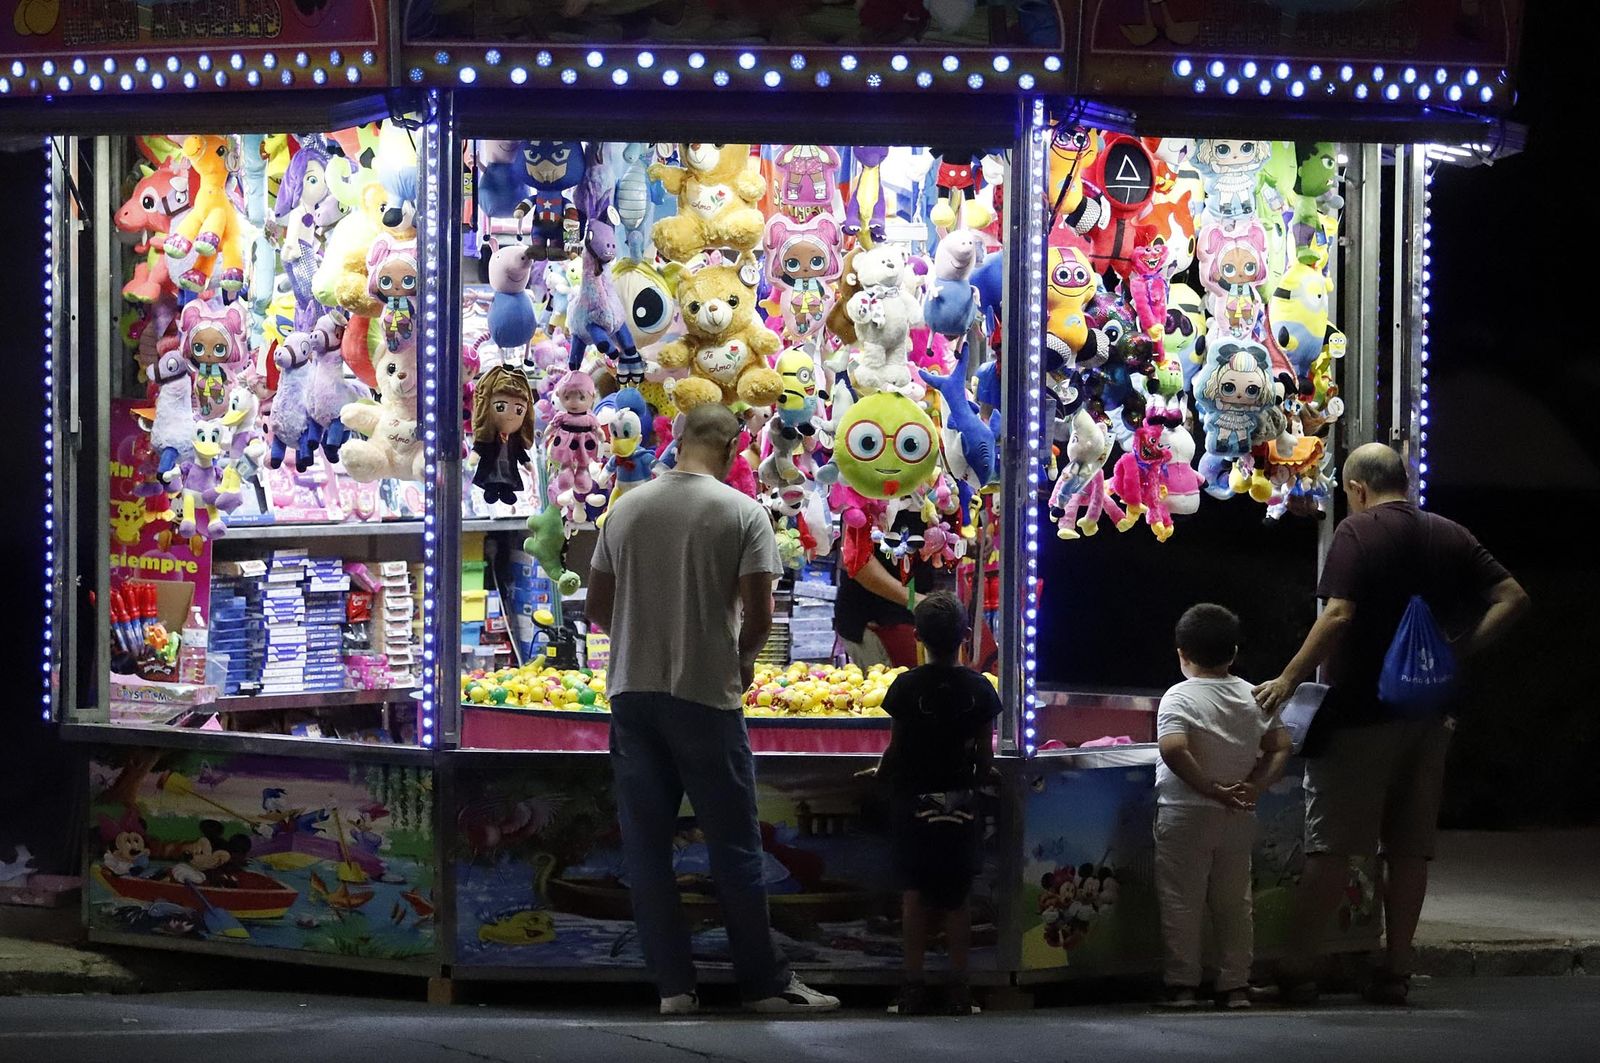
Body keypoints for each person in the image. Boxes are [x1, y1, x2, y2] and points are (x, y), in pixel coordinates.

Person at [586, 403, 840, 1016]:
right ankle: (763, 983)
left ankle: (674, 987)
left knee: (647, 849)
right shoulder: (742, 513)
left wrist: (642, 631)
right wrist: (742, 659)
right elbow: (760, 615)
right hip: (705, 697)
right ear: (731, 448)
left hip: (631, 694)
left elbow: (595, 608)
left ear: (677, 441)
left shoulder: (626, 509)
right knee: (734, 845)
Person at [1253, 443, 1529, 1005]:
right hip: (1432, 715)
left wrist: (1287, 679)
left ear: (1357, 489)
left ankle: (1297, 969)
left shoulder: (1358, 532)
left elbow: (1338, 614)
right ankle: (1395, 969)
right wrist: (1458, 648)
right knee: (1408, 849)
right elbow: (1513, 597)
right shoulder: (1451, 533)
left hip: (1361, 713)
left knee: (1332, 846)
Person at [864, 591, 1002, 1016]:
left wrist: (879, 776)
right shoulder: (981, 688)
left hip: (913, 802)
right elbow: (985, 754)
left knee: (915, 896)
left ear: (917, 636)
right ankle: (959, 990)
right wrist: (982, 778)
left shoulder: (905, 686)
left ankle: (913, 987)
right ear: (966, 635)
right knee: (957, 900)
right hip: (961, 801)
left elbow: (896, 748)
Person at [1154, 604, 1291, 1010]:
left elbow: (1172, 749)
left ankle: (1183, 985)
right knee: (1234, 901)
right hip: (1239, 813)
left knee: (1182, 899)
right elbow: (1281, 746)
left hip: (1185, 810)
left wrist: (1211, 789)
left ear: (1182, 653)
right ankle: (1235, 985)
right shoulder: (1255, 696)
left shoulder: (1178, 696)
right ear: (1233, 652)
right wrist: (1255, 786)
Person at [834, 509, 950, 669]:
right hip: (873, 621)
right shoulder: (864, 499)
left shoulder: (925, 497)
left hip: (913, 618)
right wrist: (914, 599)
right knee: (885, 682)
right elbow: (857, 562)